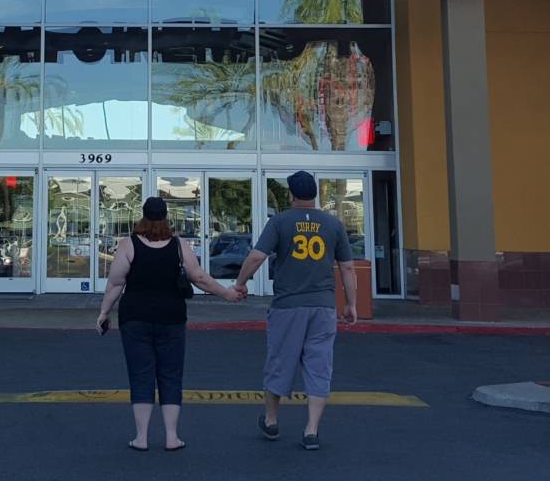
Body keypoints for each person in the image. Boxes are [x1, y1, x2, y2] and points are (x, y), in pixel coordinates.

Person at [96, 196, 240, 452]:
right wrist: (227, 293)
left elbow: (115, 283)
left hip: (135, 318)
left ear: (142, 217)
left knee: (140, 374)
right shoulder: (179, 245)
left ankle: (141, 437)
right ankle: (172, 437)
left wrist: (104, 312)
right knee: (171, 375)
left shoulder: (128, 245)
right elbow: (199, 277)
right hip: (171, 318)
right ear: (166, 218)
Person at [232, 170, 357, 451]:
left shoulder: (280, 221)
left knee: (280, 360)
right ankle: (311, 430)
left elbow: (257, 256)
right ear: (315, 194)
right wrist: (351, 304)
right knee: (319, 365)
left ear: (291, 194)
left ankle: (271, 420)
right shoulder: (333, 224)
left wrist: (240, 283)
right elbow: (347, 268)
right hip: (323, 307)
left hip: (288, 305)